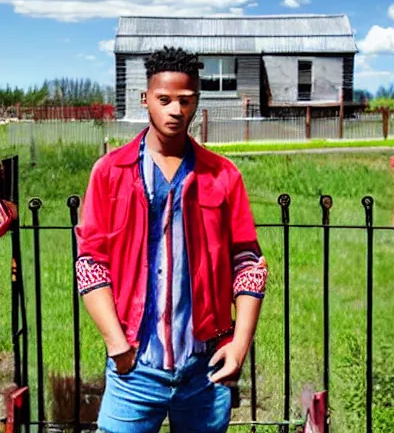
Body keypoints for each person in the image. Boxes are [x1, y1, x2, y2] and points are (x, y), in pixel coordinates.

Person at [74, 46, 268, 433]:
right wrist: (117, 345)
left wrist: (240, 345)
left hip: (205, 370)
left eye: (186, 100)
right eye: (164, 100)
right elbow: (90, 263)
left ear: (197, 102)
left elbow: (248, 263)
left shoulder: (223, 175)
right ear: (145, 99)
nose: (176, 111)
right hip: (135, 370)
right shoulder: (110, 173)